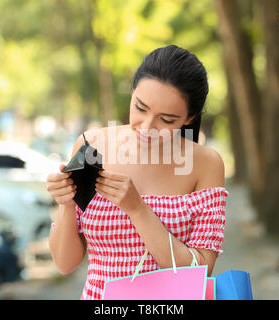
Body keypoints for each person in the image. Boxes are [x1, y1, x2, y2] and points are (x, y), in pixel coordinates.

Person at [47, 45, 229, 300]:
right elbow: (65, 264)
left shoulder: (205, 164)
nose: (147, 127)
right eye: (140, 108)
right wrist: (66, 204)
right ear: (132, 93)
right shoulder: (92, 147)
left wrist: (137, 209)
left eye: (166, 119)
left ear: (189, 118)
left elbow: (199, 272)